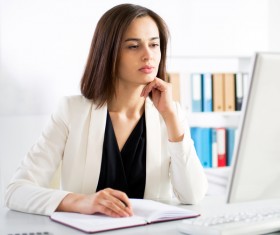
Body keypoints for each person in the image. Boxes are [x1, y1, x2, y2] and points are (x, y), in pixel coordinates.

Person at [4, 3, 208, 218]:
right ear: (108, 53)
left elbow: (192, 195)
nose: (148, 56)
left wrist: (171, 119)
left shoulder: (170, 114)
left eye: (154, 45)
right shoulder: (72, 112)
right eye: (133, 46)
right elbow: (16, 191)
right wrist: (81, 201)